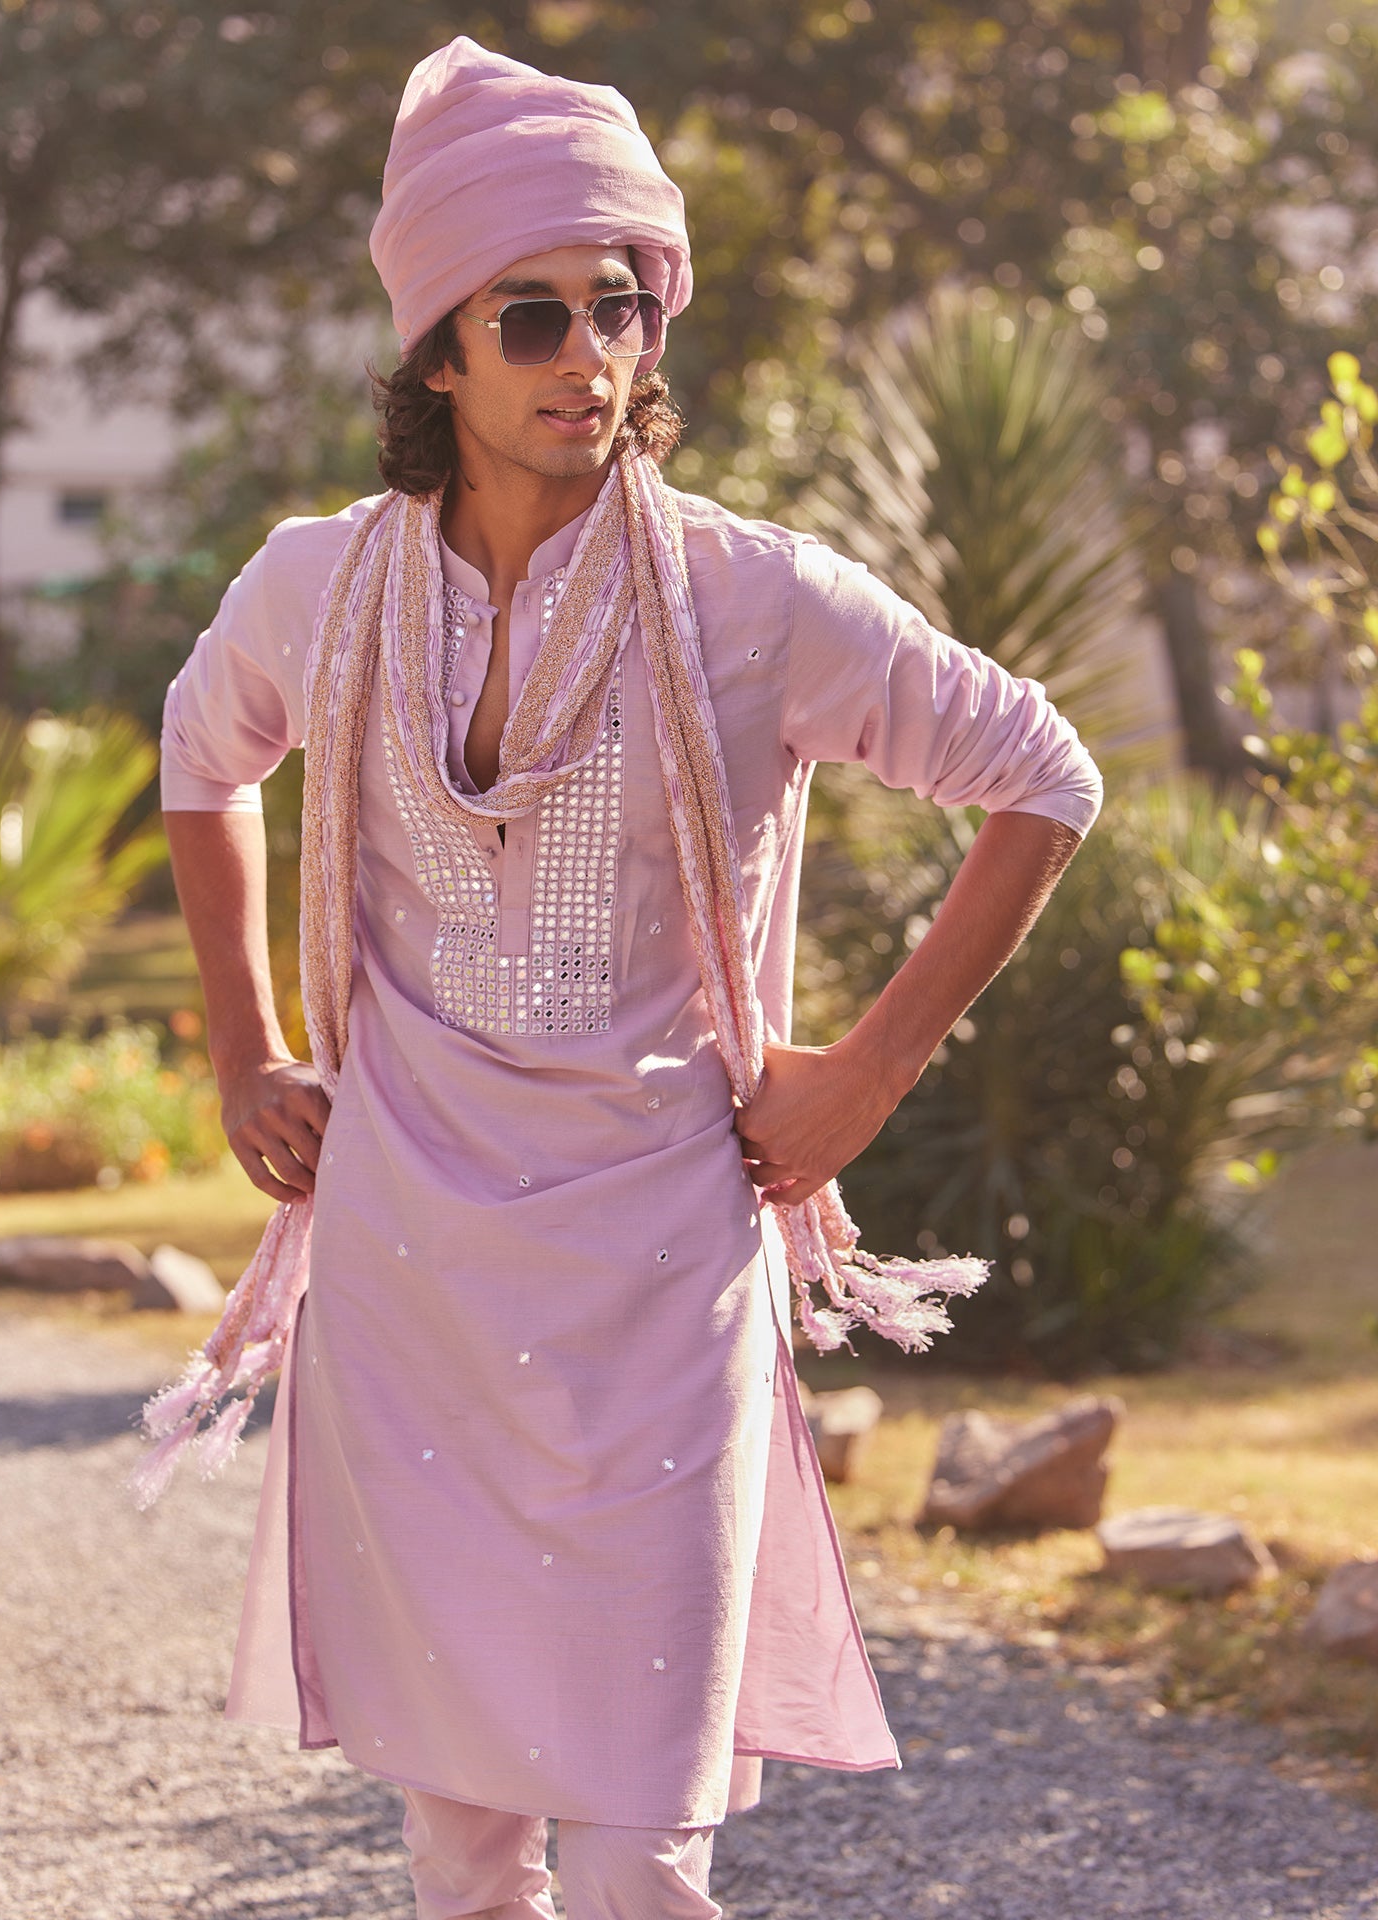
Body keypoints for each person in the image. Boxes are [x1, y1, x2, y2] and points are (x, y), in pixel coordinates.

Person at [155, 35, 1102, 1920]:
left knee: (636, 1849)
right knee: (459, 1841)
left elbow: (1044, 777)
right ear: (439, 352)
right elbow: (204, 756)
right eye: (534, 316)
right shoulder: (321, 590)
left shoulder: (754, 598)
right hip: (413, 1269)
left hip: (661, 1275)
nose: (590, 353)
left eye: (622, 306)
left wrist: (864, 1075)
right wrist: (248, 1048)